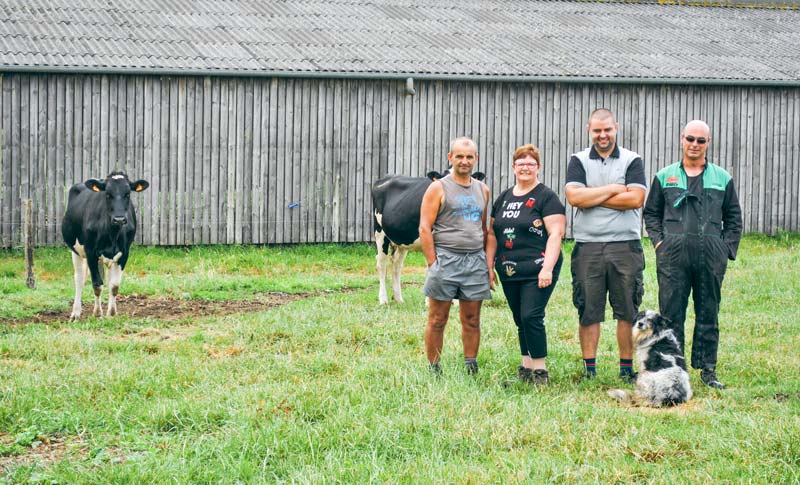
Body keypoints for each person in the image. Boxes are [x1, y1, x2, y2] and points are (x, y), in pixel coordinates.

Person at [643, 120, 742, 389]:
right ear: (681, 139)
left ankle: (708, 370)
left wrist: (726, 249)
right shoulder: (665, 176)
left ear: (708, 143)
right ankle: (674, 368)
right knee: (671, 314)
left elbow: (734, 218)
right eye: (690, 139)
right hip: (673, 257)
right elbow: (651, 213)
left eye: (701, 140)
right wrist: (659, 243)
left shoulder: (722, 178)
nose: (695, 145)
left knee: (708, 312)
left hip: (710, 257)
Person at [565, 108, 647, 382]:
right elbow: (574, 198)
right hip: (588, 246)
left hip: (625, 245)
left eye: (607, 130)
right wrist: (614, 189)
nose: (602, 135)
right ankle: (590, 370)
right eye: (597, 130)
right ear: (590, 129)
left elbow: (635, 200)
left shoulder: (632, 160)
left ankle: (626, 369)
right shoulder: (578, 160)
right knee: (589, 309)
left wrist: (592, 197)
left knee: (627, 309)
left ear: (616, 128)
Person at [486, 144, 566, 385]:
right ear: (513, 167)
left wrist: (548, 268)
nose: (525, 168)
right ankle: (526, 368)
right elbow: (491, 234)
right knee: (520, 318)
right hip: (509, 269)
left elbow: (556, 234)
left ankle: (540, 372)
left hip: (538, 268)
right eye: (520, 164)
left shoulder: (546, 197)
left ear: (538, 168)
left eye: (530, 164)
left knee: (532, 315)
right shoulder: (504, 197)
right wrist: (489, 266)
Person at [419, 136, 492, 375]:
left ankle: (471, 364)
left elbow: (483, 228)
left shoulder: (483, 189)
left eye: (469, 157)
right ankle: (434, 367)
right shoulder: (438, 187)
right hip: (446, 259)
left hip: (474, 260)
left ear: (476, 159)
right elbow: (424, 228)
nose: (464, 161)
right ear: (450, 158)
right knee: (438, 318)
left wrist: (485, 261)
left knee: (472, 318)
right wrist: (433, 263)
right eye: (459, 156)